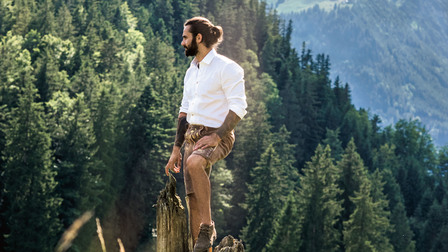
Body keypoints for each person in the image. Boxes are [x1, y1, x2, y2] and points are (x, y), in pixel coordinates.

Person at [164, 17, 247, 252]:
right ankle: (202, 246)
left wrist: (218, 135)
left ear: (198, 38)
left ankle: (208, 227)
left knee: (194, 163)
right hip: (191, 135)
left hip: (218, 134)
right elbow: (184, 112)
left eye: (185, 37)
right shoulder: (192, 72)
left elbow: (239, 107)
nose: (182, 42)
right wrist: (176, 149)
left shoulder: (227, 68)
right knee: (192, 199)